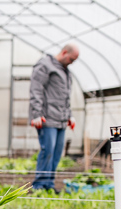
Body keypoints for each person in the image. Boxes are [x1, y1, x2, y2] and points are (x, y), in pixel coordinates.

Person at [29, 44, 79, 192]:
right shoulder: (45, 65)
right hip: (47, 118)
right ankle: (39, 185)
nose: (72, 62)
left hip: (61, 119)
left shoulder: (65, 71)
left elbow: (64, 96)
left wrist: (69, 115)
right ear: (64, 53)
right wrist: (36, 113)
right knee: (47, 151)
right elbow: (36, 89)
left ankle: (49, 185)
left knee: (57, 153)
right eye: (71, 59)